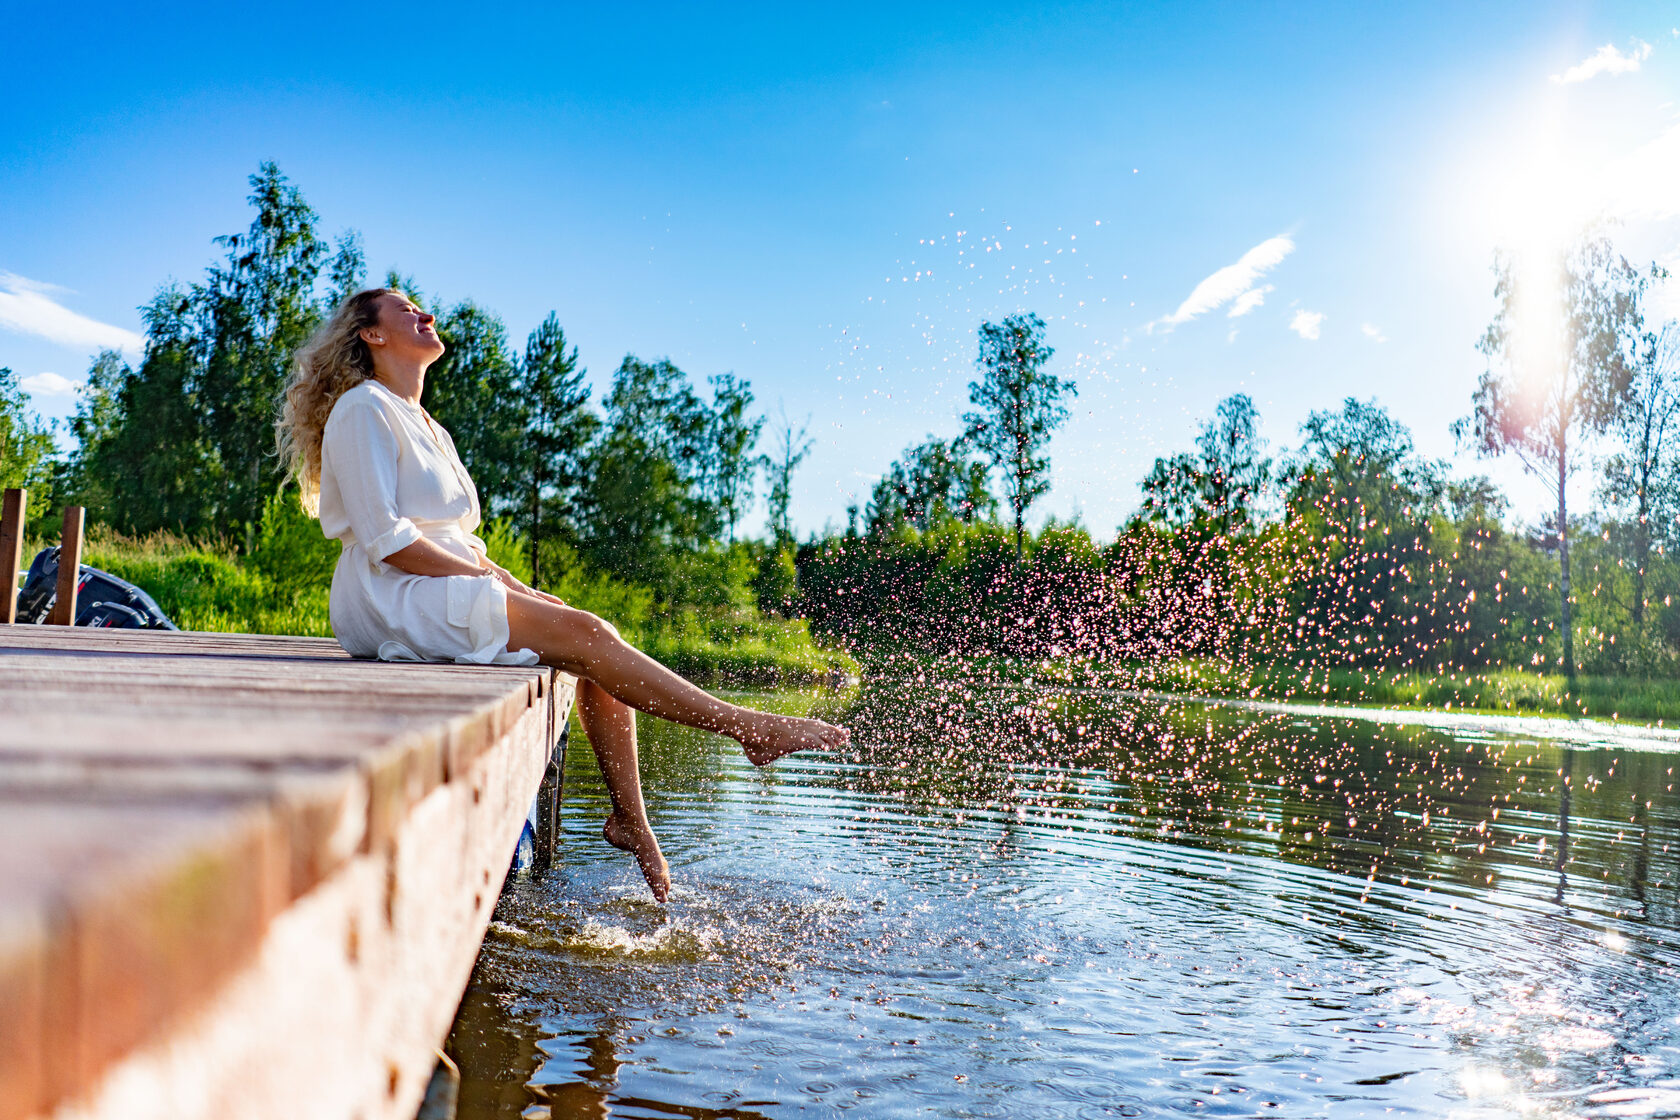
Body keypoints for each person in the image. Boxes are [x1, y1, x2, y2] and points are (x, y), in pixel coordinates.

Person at [277, 288, 849, 902]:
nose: (426, 314)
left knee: (590, 637)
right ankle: (746, 727)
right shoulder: (364, 407)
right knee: (590, 638)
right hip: (388, 594)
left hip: (438, 579)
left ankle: (633, 820)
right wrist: (485, 581)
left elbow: (463, 543)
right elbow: (386, 540)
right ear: (372, 335)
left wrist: (512, 585)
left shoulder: (428, 425)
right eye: (405, 308)